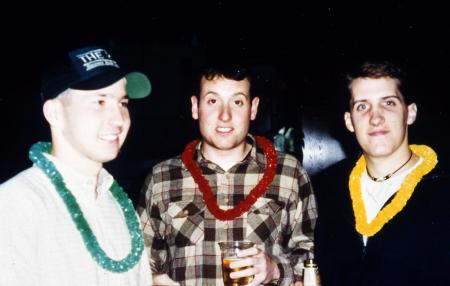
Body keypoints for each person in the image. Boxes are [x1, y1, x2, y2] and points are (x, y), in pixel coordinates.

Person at [139, 66, 317, 285]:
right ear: (195, 107)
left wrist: (275, 269)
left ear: (253, 108)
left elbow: (311, 259)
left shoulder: (289, 173)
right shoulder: (161, 179)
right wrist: (153, 280)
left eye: (237, 102)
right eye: (213, 101)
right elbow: (141, 266)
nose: (225, 116)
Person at [0, 45, 153, 285]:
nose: (118, 119)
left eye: (123, 103)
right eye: (100, 102)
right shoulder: (17, 204)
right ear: (54, 113)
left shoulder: (119, 207)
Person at [314, 61, 450, 285]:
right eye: (362, 106)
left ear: (410, 113)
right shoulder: (328, 189)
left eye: (388, 103)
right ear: (349, 121)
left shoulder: (443, 190)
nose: (375, 118)